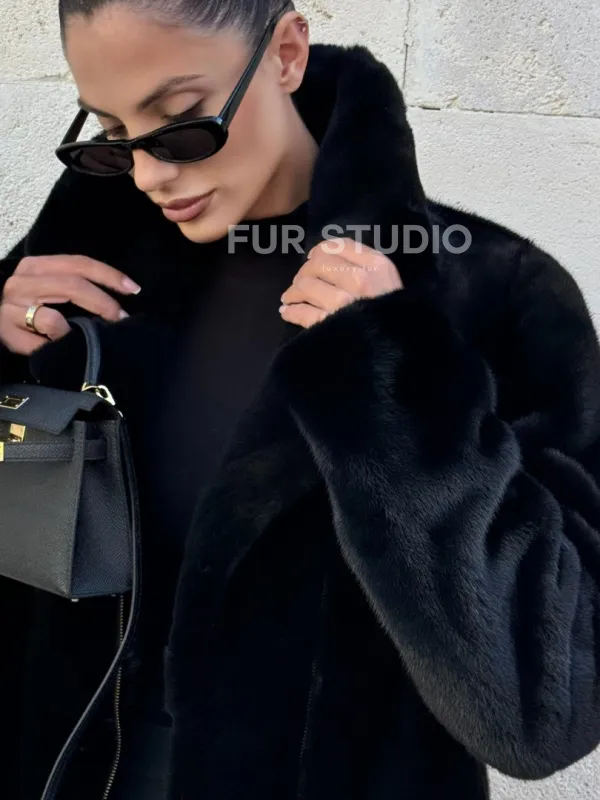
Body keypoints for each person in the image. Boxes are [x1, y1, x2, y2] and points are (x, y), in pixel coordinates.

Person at [2, 1, 600, 798]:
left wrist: (393, 385)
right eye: (113, 134)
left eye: (180, 123)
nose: (149, 174)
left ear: (285, 52)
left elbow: (544, 710)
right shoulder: (77, 278)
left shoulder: (497, 295)